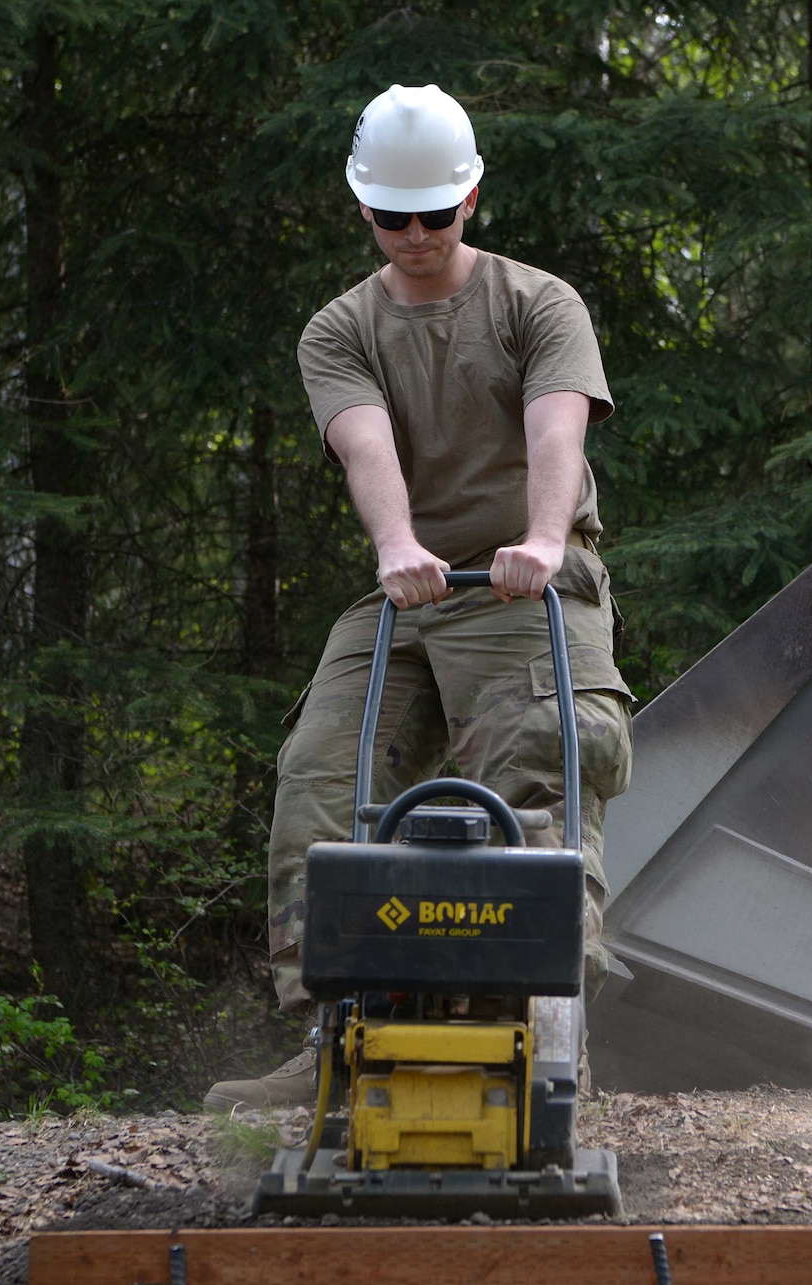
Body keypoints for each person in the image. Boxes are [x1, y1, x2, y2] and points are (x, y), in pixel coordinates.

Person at [205, 83, 633, 1112]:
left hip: (528, 582)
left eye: (432, 215)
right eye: (390, 216)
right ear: (361, 209)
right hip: (414, 588)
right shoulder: (338, 329)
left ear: (470, 199)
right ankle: (336, 1034)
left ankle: (538, 1036)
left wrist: (538, 538)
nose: (412, 234)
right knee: (318, 771)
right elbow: (364, 445)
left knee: (544, 759)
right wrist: (394, 545)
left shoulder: (538, 305)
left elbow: (553, 431)